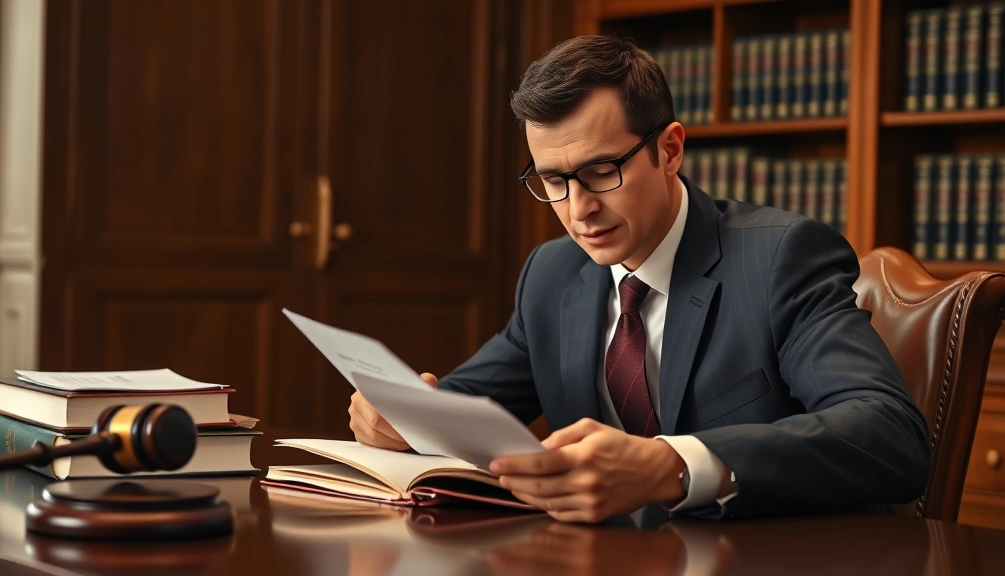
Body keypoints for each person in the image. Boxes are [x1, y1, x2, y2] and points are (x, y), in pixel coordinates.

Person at [348, 35, 930, 522]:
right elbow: (463, 412)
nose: (578, 210)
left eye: (601, 171)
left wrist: (673, 464)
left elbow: (891, 436)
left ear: (670, 150)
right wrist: (405, 418)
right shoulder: (551, 275)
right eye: (553, 180)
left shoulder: (780, 258)